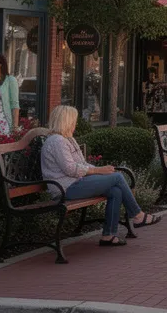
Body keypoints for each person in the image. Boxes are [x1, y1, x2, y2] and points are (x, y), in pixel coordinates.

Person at [41, 105, 159, 246]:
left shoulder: (67, 140)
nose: (75, 124)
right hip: (65, 189)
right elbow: (71, 169)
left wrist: (100, 170)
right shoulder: (56, 141)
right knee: (117, 177)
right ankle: (138, 215)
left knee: (115, 191)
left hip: (76, 184)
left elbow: (82, 164)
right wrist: (99, 171)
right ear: (65, 121)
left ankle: (108, 235)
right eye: (73, 121)